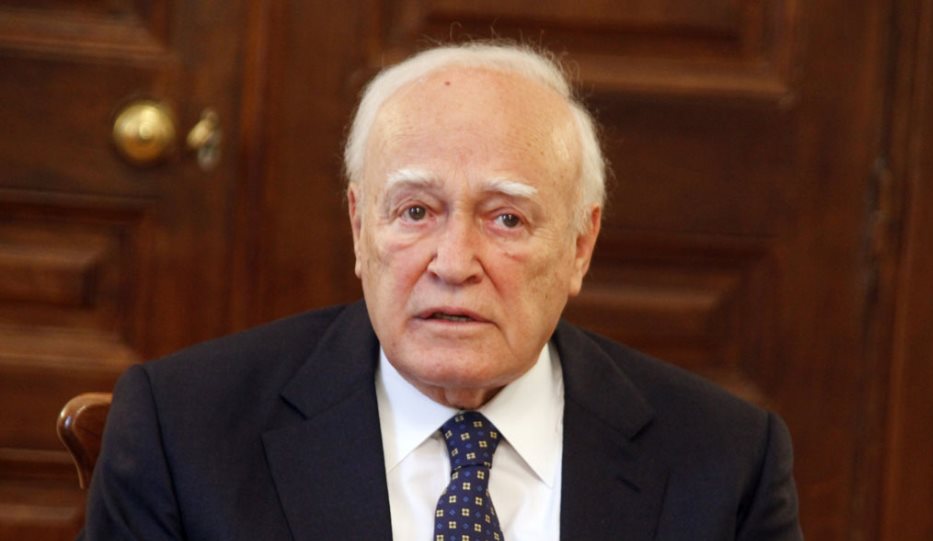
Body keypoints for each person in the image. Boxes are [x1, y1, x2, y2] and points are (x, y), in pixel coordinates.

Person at [81, 42, 803, 540]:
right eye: (415, 211)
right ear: (359, 227)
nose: (453, 263)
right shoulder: (186, 432)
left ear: (580, 246)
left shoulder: (724, 461)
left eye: (506, 218)